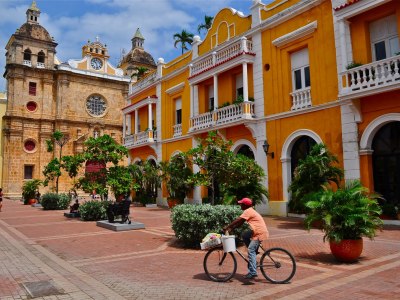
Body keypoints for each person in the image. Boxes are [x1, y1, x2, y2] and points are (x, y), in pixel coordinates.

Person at [223, 197, 269, 279]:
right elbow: (240, 223)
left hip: (259, 233)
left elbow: (238, 220)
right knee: (244, 235)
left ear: (245, 205)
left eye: (241, 204)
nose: (240, 205)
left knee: (250, 250)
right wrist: (232, 229)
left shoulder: (248, 211)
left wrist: (227, 226)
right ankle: (254, 254)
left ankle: (253, 272)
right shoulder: (250, 210)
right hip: (257, 231)